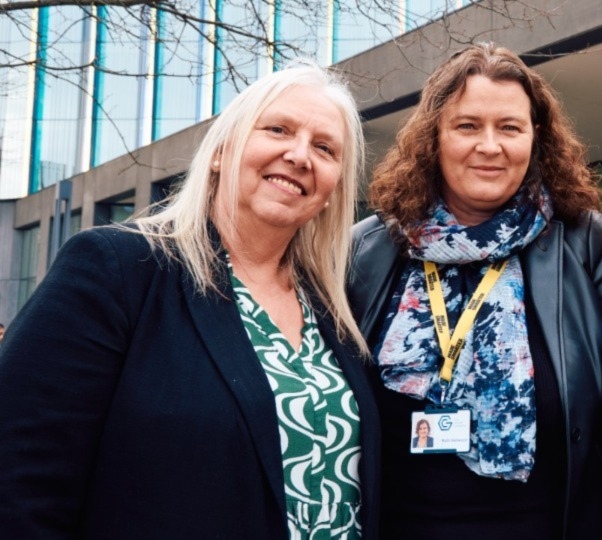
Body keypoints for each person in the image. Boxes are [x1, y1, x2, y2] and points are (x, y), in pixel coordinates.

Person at [0, 61, 380, 539]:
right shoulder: (119, 269)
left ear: (331, 192)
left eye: (325, 148)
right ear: (221, 152)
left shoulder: (335, 307)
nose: (300, 155)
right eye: (278, 129)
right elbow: (18, 481)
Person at [348, 42, 602, 539]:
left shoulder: (585, 241)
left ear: (536, 138)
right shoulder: (369, 250)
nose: (490, 145)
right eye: (467, 126)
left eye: (509, 127)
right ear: (433, 136)